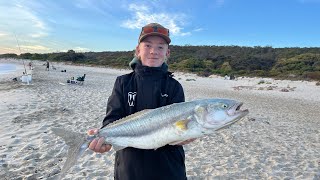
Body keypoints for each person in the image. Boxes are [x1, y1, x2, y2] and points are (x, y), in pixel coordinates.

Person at [88, 23, 195, 180]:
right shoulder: (123, 82)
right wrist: (103, 140)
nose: (154, 51)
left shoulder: (174, 86)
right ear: (138, 50)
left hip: (169, 168)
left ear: (167, 53)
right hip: (130, 168)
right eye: (148, 45)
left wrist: (184, 136)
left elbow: (179, 126)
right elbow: (112, 118)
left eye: (160, 47)